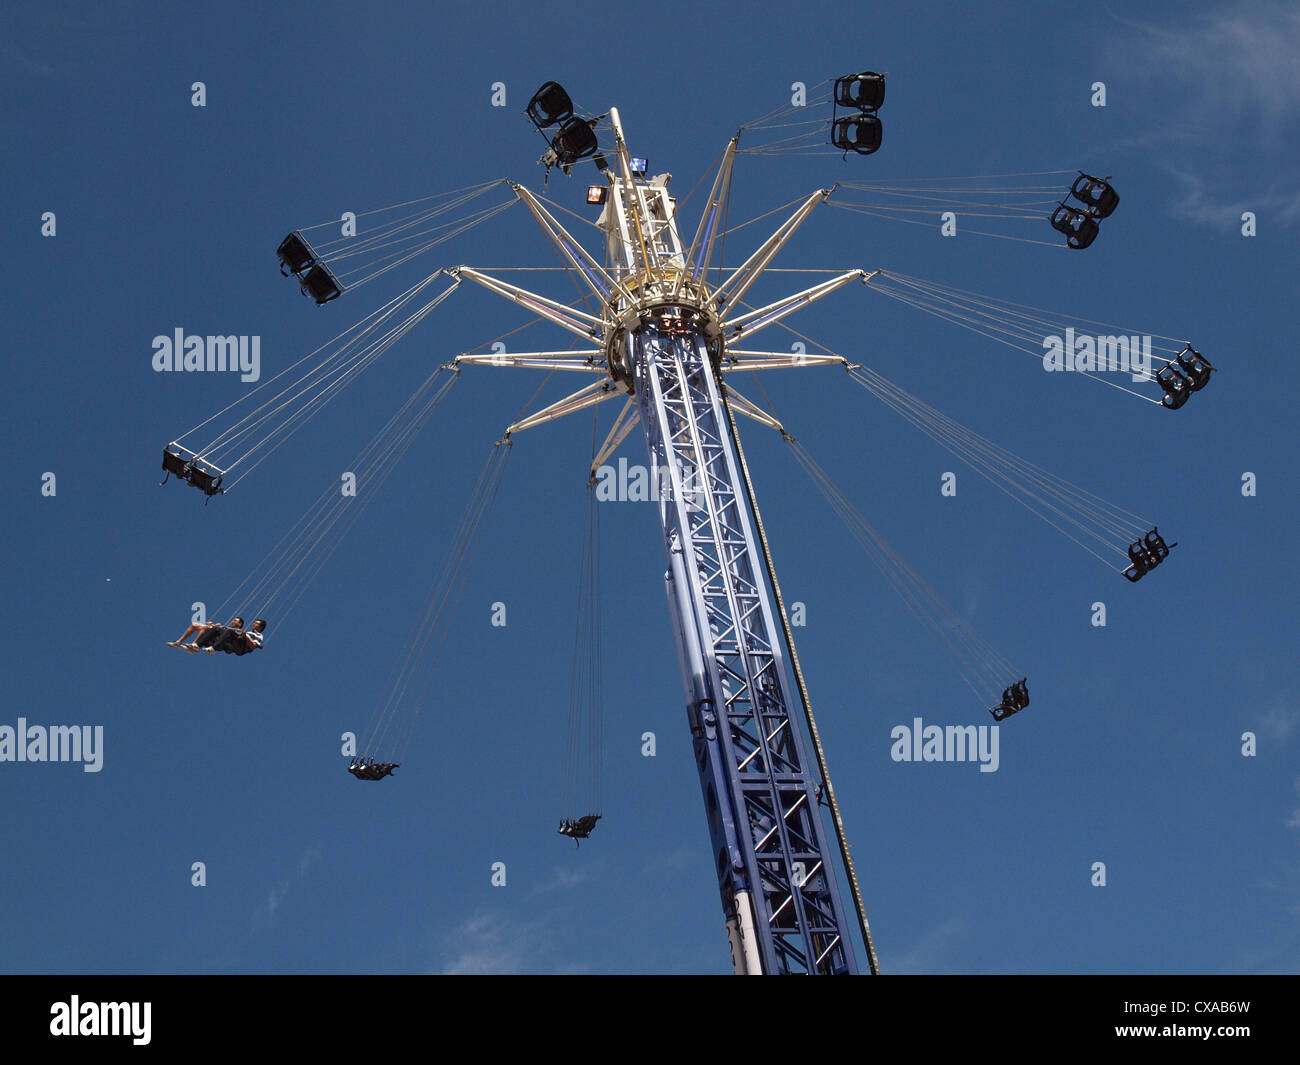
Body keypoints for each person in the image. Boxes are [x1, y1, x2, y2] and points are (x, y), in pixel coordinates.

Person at [169, 617, 243, 651]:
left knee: (206, 628)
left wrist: (216, 628)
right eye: (233, 620)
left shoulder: (238, 631)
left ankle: (195, 645)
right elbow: (218, 631)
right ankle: (179, 642)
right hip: (213, 636)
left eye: (235, 621)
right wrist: (213, 625)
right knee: (195, 625)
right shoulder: (227, 628)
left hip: (219, 642)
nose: (233, 621)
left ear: (239, 624)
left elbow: (230, 637)